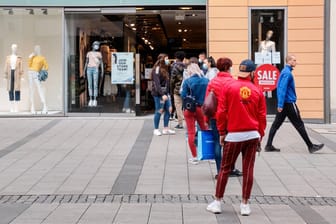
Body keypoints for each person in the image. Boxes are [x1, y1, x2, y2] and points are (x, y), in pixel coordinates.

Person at [207, 59, 266, 216]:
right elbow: (262, 116)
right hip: (252, 134)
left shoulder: (229, 87)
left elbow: (221, 112)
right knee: (248, 169)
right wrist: (260, 134)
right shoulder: (257, 90)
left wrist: (221, 132)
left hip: (233, 135)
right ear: (252, 73)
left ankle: (218, 202)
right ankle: (245, 204)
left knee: (225, 168)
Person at [264, 55, 324, 153]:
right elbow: (282, 89)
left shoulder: (285, 72)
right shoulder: (287, 73)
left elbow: (281, 88)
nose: (296, 62)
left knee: (276, 125)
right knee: (299, 125)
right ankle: (311, 146)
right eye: (294, 60)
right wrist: (280, 105)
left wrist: (280, 104)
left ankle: (268, 145)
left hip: (285, 104)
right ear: (289, 61)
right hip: (289, 103)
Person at [204, 57, 242, 178]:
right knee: (231, 144)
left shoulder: (212, 82)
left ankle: (220, 171)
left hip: (215, 117)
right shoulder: (233, 82)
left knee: (217, 142)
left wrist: (206, 119)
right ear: (229, 68)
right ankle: (230, 168)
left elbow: (207, 103)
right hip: (231, 117)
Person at [181, 63, 209, 165]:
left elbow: (183, 95)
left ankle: (195, 156)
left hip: (189, 109)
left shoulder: (187, 81)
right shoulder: (206, 81)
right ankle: (208, 154)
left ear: (190, 71)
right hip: (202, 109)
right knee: (205, 130)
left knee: (191, 132)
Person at [151, 53, 175, 136]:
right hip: (159, 94)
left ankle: (165, 128)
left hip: (166, 93)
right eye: (166, 59)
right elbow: (157, 84)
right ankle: (156, 129)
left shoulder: (166, 69)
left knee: (169, 110)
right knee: (159, 110)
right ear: (162, 59)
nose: (168, 60)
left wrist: (168, 93)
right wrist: (162, 94)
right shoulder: (157, 69)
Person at [28, 45, 48, 114]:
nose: (36, 50)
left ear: (40, 49)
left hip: (37, 74)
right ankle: (32, 107)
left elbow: (47, 66)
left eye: (37, 48)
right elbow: (29, 65)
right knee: (32, 90)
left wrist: (41, 72)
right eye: (35, 48)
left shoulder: (42, 58)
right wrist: (30, 58)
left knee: (40, 90)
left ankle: (45, 106)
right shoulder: (33, 57)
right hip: (30, 73)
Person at [83, 41, 104, 107]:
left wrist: (102, 71)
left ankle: (95, 99)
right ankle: (90, 99)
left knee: (95, 84)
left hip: (95, 69)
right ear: (93, 45)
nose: (97, 46)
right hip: (89, 69)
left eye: (98, 45)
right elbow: (86, 62)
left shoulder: (99, 53)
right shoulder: (88, 53)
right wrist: (84, 71)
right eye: (96, 45)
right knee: (89, 84)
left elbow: (101, 63)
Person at [4, 44, 23, 113]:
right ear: (11, 48)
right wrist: (5, 76)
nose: (14, 49)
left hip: (17, 73)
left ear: (17, 49)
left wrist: (21, 76)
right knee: (10, 89)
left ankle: (17, 107)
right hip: (10, 73)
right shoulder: (8, 57)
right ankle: (11, 107)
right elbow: (6, 66)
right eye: (13, 47)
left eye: (15, 48)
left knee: (17, 90)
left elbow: (21, 67)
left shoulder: (19, 58)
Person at [170, 51, 186, 129]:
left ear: (176, 58)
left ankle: (180, 123)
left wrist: (171, 89)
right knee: (186, 105)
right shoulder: (186, 66)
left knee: (178, 106)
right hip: (185, 89)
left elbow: (172, 80)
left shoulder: (174, 67)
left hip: (177, 89)